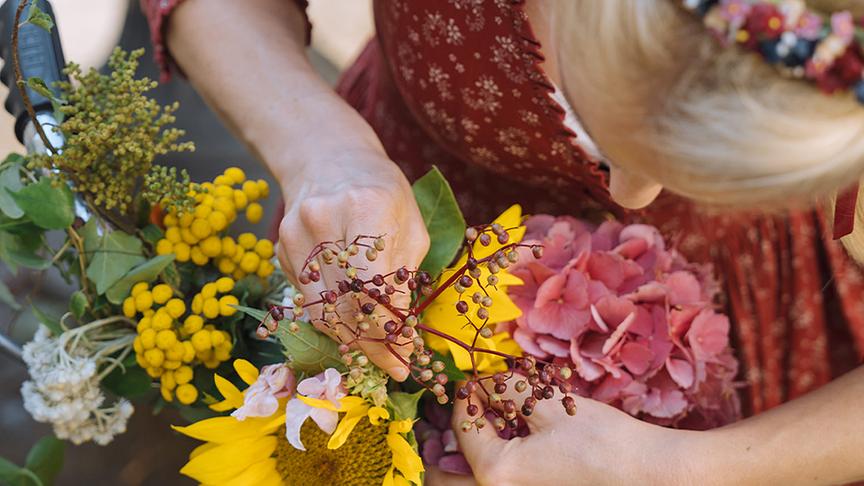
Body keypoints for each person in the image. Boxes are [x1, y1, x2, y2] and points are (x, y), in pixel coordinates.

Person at [142, 0, 864, 483]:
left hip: (763, 352)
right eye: (595, 123)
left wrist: (685, 470)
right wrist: (320, 148)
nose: (634, 197)